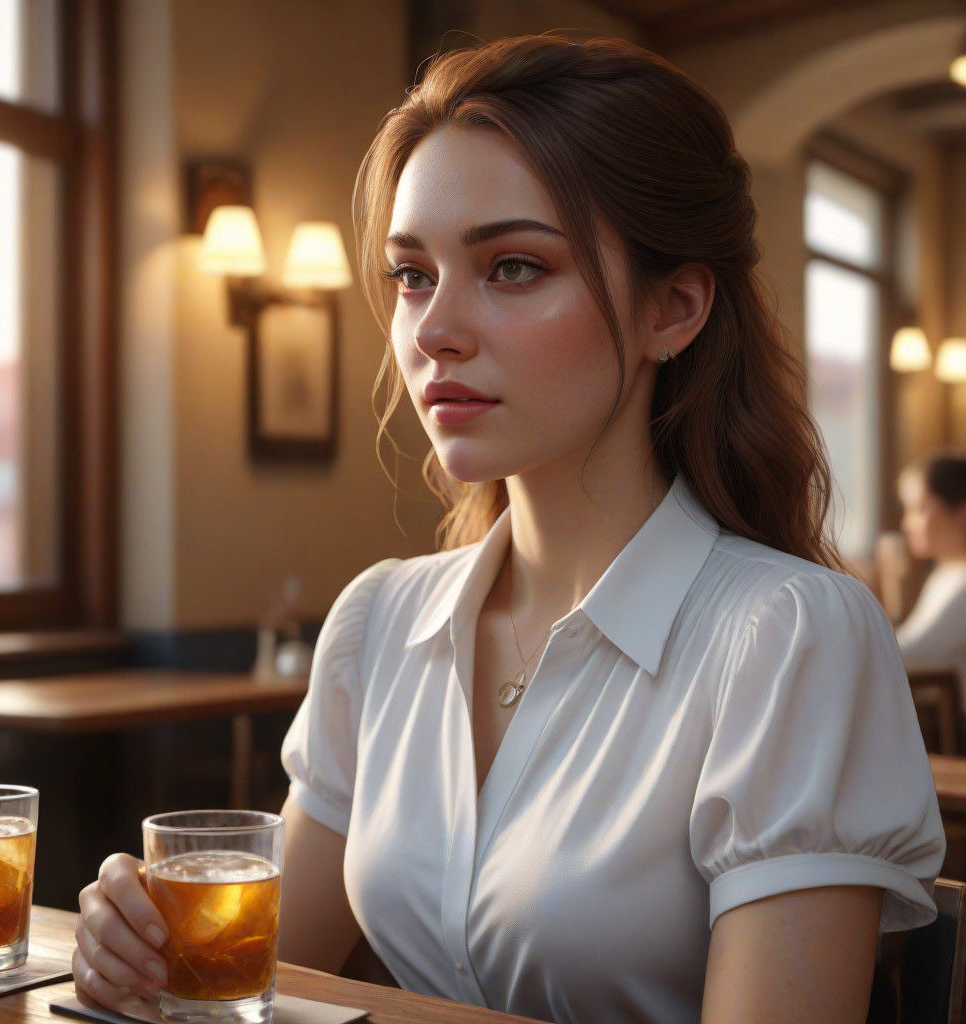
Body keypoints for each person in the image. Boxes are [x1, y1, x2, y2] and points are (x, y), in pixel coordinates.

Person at [73, 34, 944, 1024]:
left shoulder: (788, 636)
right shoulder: (376, 622)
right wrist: (143, 963)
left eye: (514, 266)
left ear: (673, 308)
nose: (432, 329)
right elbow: (257, 988)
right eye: (412, 275)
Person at [894, 451, 966, 697]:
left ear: (961, 511)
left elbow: (909, 655)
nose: (906, 524)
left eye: (920, 509)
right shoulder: (946, 575)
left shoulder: (961, 585)